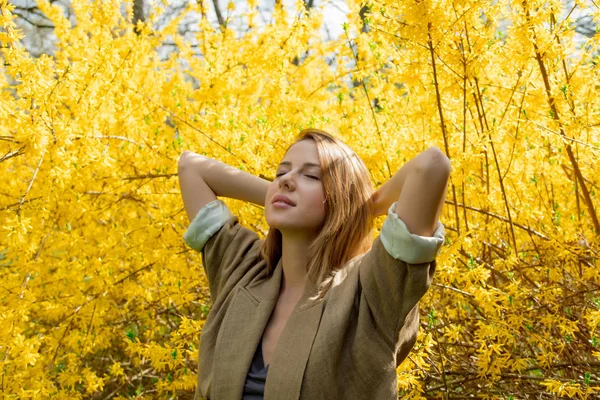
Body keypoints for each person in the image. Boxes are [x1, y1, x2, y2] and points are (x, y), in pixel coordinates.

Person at [178, 128, 450, 400]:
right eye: (281, 173)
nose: (286, 181)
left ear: (340, 197)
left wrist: (359, 208)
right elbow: (191, 168)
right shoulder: (243, 270)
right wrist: (278, 196)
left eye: (311, 176)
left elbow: (431, 166)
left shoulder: (370, 290)